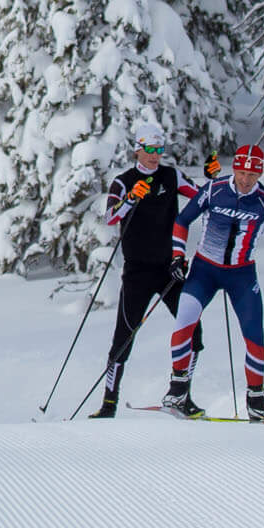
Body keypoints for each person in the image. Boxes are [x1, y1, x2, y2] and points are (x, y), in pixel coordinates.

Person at [165, 144, 264, 421]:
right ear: (235, 169)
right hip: (205, 269)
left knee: (254, 336)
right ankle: (177, 389)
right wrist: (178, 256)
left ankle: (256, 402)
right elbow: (182, 220)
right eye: (241, 172)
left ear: (260, 174)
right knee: (184, 322)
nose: (245, 180)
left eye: (252, 175)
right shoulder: (214, 190)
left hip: (241, 274)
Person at [91, 133, 203, 418]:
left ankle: (181, 396)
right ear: (138, 150)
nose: (155, 155)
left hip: (170, 269)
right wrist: (130, 199)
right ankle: (109, 404)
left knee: (194, 331)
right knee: (124, 337)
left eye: (159, 149)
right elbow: (110, 217)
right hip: (137, 272)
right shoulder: (124, 181)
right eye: (150, 149)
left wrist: (217, 181)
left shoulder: (171, 176)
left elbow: (203, 196)